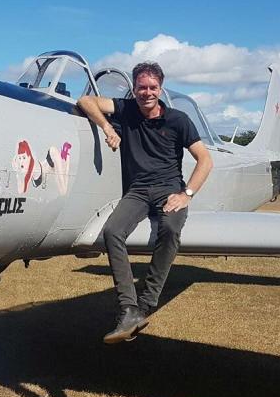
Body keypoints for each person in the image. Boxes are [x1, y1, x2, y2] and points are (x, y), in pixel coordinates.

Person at [77, 62, 213, 343]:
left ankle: (147, 303)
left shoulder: (178, 120)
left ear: (159, 89)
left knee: (170, 230)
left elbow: (205, 160)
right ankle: (128, 308)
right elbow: (85, 101)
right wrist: (107, 127)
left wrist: (186, 194)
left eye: (152, 87)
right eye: (141, 87)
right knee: (113, 232)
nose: (146, 92)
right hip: (138, 191)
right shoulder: (125, 110)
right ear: (134, 89)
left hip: (169, 189)